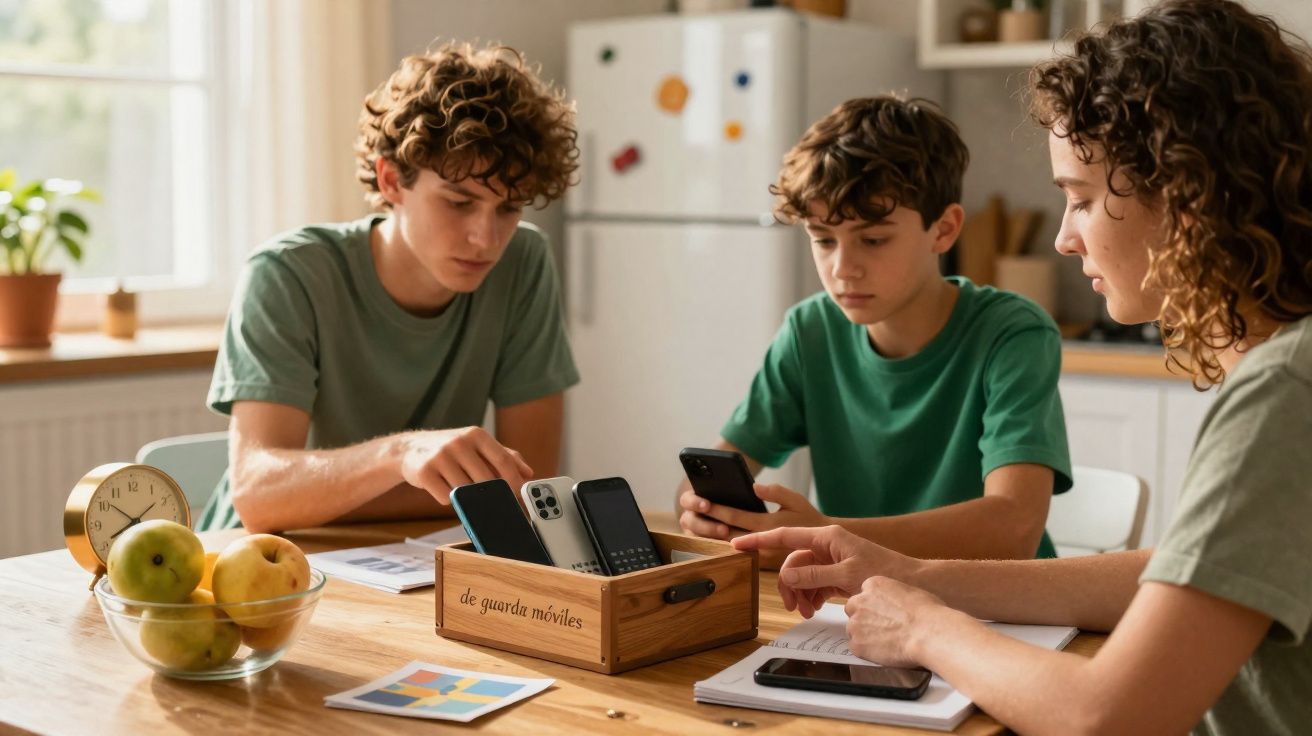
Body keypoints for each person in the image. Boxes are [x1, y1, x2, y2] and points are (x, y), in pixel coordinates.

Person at [735, 1, 1312, 732]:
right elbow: (1177, 571)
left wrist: (924, 627)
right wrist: (910, 574)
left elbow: (1106, 718)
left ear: (1188, 195)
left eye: (1082, 199)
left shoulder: (1285, 392)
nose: (1066, 238)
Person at [201, 42, 580, 533]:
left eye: (508, 208)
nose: (487, 239)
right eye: (459, 202)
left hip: (410, 555)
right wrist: (402, 455)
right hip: (268, 555)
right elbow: (259, 496)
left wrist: (336, 493)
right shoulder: (288, 274)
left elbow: (527, 486)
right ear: (391, 180)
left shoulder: (523, 261)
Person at [677, 96, 1072, 563]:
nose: (843, 268)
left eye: (873, 239)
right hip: (859, 597)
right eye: (823, 239)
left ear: (944, 230)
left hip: (995, 599)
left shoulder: (1012, 334)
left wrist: (824, 535)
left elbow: (1013, 528)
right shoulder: (809, 331)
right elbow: (702, 481)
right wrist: (705, 512)